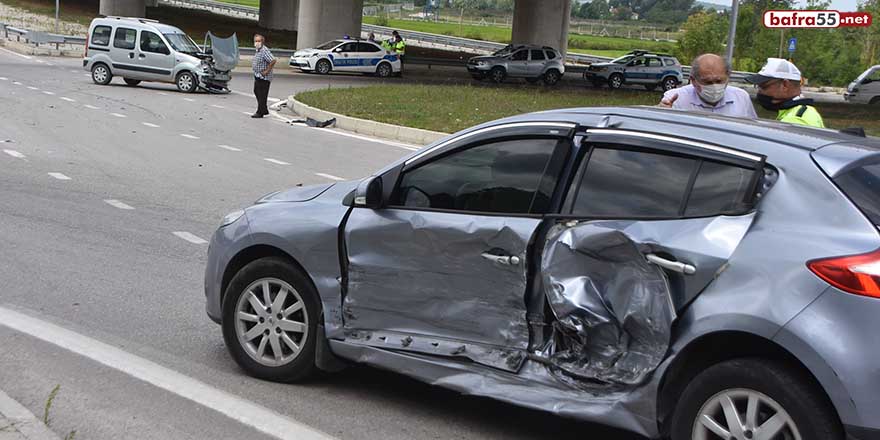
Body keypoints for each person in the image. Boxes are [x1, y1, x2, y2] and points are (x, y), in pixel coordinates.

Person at [660, 53, 757, 119]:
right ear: (693, 80)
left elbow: (752, 130)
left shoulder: (741, 97)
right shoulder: (676, 99)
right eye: (707, 82)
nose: (714, 86)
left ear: (728, 77)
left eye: (719, 81)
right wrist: (661, 114)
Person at [746, 58, 825, 128]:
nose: (759, 91)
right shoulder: (797, 112)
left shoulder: (796, 120)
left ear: (785, 85)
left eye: (764, 87)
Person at [251, 34, 276, 119]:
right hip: (258, 75)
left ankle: (259, 112)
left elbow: (273, 60)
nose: (257, 43)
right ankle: (264, 109)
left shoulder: (264, 50)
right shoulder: (258, 50)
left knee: (262, 95)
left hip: (264, 77)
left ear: (262, 42)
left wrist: (267, 71)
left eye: (259, 41)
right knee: (256, 91)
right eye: (256, 41)